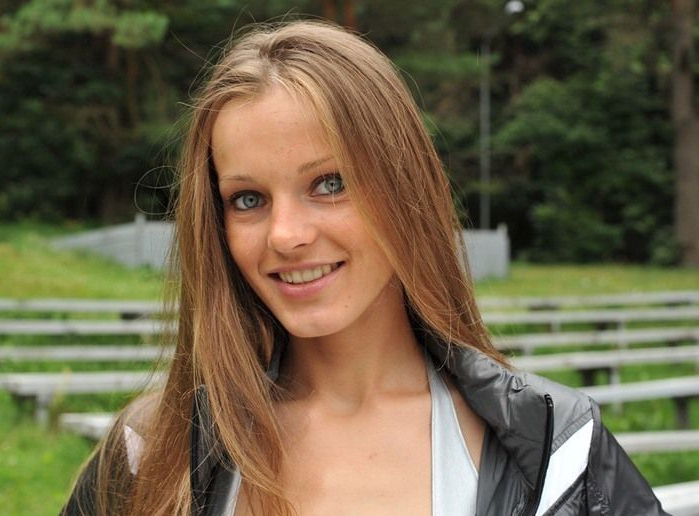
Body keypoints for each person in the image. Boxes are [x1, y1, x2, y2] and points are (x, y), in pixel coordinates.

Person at [62, 20, 667, 516]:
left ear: (404, 189)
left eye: (329, 184)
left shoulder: (556, 450)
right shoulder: (153, 449)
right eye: (248, 199)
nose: (287, 236)